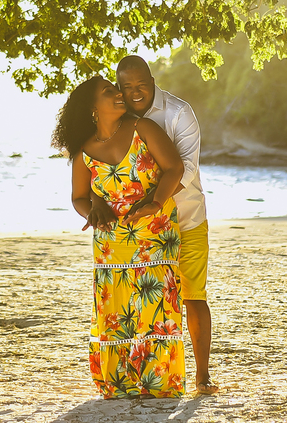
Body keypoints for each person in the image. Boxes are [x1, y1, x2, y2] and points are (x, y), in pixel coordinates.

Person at [85, 55, 219, 395]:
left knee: (192, 296)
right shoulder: (117, 118)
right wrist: (96, 199)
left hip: (185, 219)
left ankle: (202, 377)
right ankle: (141, 375)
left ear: (152, 80)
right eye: (126, 87)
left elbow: (185, 169)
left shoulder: (177, 113)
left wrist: (152, 199)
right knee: (142, 303)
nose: (135, 92)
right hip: (140, 234)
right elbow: (98, 166)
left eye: (141, 84)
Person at [52, 75, 187, 399]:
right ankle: (120, 383)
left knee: (157, 305)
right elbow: (79, 197)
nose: (119, 94)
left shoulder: (143, 129)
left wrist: (155, 202)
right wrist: (93, 211)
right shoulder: (84, 151)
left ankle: (160, 381)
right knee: (118, 308)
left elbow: (175, 168)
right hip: (111, 243)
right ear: (92, 108)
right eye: (109, 92)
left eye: (116, 90)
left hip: (154, 232)